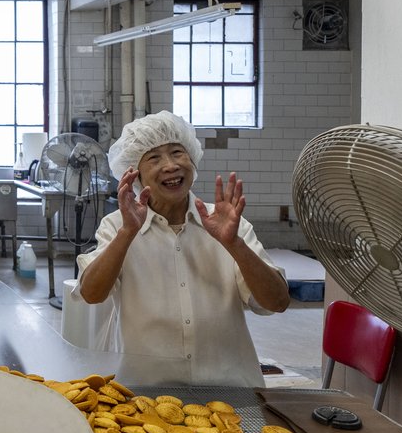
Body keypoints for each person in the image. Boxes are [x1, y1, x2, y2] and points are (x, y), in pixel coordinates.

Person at [73, 111, 288, 386]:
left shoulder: (228, 225)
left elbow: (277, 302)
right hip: (144, 394)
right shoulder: (117, 227)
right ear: (135, 174)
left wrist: (235, 245)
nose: (171, 165)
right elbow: (91, 294)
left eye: (177, 152)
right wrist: (127, 233)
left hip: (230, 390)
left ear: (193, 160)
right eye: (154, 158)